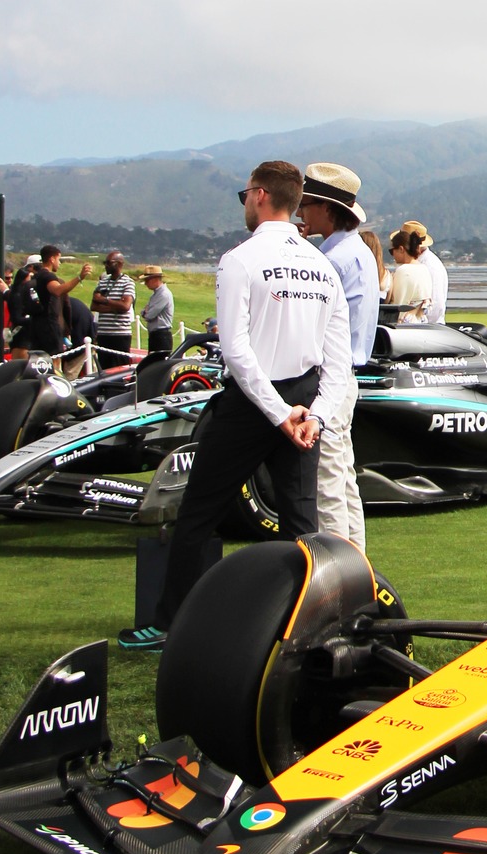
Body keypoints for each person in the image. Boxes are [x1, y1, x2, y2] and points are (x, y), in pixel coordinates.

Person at [120, 161, 350, 651]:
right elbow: (338, 364)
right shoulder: (323, 267)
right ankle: (304, 627)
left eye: (245, 193)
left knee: (199, 511)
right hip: (305, 403)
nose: (245, 201)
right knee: (301, 523)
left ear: (261, 195)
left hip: (253, 402)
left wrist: (277, 411)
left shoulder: (239, 259)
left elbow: (237, 351)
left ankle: (170, 623)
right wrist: (314, 415)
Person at [298, 162, 379, 555]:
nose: (301, 212)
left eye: (307, 204)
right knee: (343, 478)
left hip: (330, 377)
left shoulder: (333, 258)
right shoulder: (355, 251)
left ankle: (338, 576)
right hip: (346, 375)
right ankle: (358, 566)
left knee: (328, 481)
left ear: (327, 208)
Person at [11, 247, 93, 358]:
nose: (59, 263)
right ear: (52, 259)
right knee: (55, 361)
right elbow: (57, 290)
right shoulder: (47, 276)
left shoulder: (37, 276)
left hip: (37, 327)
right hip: (49, 327)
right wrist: (79, 277)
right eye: (58, 259)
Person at [90, 250, 136, 372]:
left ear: (119, 264)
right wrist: (115, 307)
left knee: (120, 369)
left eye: (109, 263)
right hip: (104, 333)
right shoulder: (103, 282)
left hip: (120, 334)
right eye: (105, 263)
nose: (106, 265)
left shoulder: (128, 282)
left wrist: (104, 300)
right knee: (105, 369)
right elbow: (94, 305)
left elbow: (125, 306)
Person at [400, 220, 448, 325]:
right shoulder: (419, 264)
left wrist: (419, 320)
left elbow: (436, 306)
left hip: (429, 329)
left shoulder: (431, 266)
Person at [385, 230, 432, 317]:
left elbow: (398, 304)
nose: (393, 255)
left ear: (401, 249)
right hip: (419, 322)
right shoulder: (424, 269)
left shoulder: (403, 271)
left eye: (392, 251)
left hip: (404, 325)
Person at [141, 266, 175, 356]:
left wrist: (145, 312)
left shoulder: (163, 294)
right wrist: (145, 312)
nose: (145, 283)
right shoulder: (155, 295)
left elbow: (149, 315)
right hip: (155, 335)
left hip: (161, 336)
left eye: (147, 280)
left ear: (155, 279)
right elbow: (145, 311)